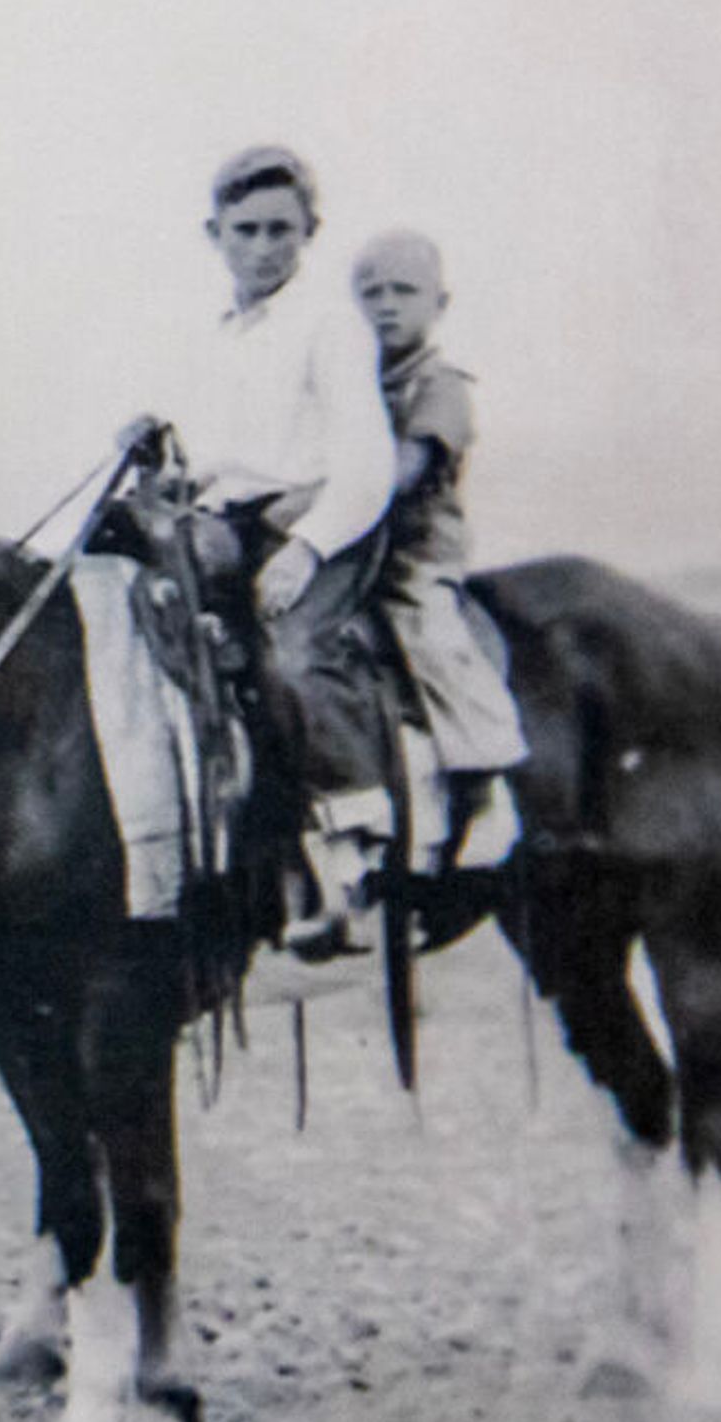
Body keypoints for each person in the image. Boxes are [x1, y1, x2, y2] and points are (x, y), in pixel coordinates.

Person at [156, 146, 402, 954]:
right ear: (214, 233)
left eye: (281, 230)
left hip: (323, 517)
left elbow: (368, 464)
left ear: (310, 232)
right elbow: (208, 452)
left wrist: (306, 548)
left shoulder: (330, 327)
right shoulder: (212, 333)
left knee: (293, 655)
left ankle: (354, 840)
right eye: (247, 230)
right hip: (227, 521)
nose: (264, 247)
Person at [350, 229, 530, 868]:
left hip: (414, 553)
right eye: (370, 294)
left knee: (428, 634)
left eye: (404, 291)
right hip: (351, 555)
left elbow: (402, 472)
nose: (386, 306)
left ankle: (487, 785)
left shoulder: (441, 387)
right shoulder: (351, 385)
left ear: (439, 303)